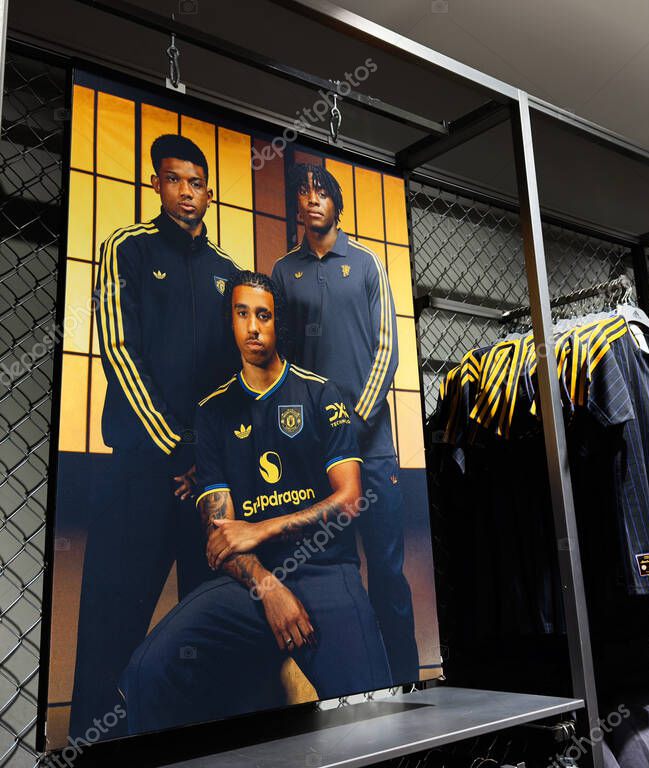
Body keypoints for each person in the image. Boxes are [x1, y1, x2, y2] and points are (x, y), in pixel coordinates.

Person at [119, 271, 392, 734]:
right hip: (249, 583)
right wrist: (268, 587)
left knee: (372, 710)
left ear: (276, 322)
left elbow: (349, 499)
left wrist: (262, 527)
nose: (252, 327)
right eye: (241, 314)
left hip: (325, 571)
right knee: (148, 671)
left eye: (263, 315)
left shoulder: (321, 393)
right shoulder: (212, 413)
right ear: (231, 321)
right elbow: (220, 537)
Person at [70, 134, 240, 739]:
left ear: (209, 192)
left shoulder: (227, 272)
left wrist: (207, 456)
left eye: (196, 183)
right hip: (140, 474)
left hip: (207, 485)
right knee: (111, 623)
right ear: (156, 184)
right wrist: (174, 445)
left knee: (210, 620)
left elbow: (233, 378)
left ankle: (203, 742)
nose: (186, 192)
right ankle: (93, 743)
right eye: (174, 180)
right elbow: (119, 348)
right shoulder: (127, 249)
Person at [270, 164, 418, 681]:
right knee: (329, 573)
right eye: (303, 192)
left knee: (387, 571)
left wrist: (352, 425)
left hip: (370, 448)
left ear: (336, 202)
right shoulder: (283, 272)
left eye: (321, 192)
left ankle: (405, 680)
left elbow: (388, 349)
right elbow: (281, 360)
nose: (311, 199)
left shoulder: (367, 263)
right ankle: (352, 681)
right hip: (315, 457)